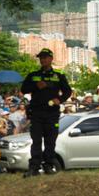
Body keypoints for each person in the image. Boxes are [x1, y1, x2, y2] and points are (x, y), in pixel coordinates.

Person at [20, 48, 71, 176]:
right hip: (36, 113)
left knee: (50, 141)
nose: (42, 60)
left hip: (52, 113)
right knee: (36, 141)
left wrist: (59, 99)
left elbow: (68, 91)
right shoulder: (33, 75)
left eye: (45, 57)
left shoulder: (58, 75)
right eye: (41, 58)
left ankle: (48, 165)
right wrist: (36, 86)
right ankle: (34, 167)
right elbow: (24, 89)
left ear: (51, 59)